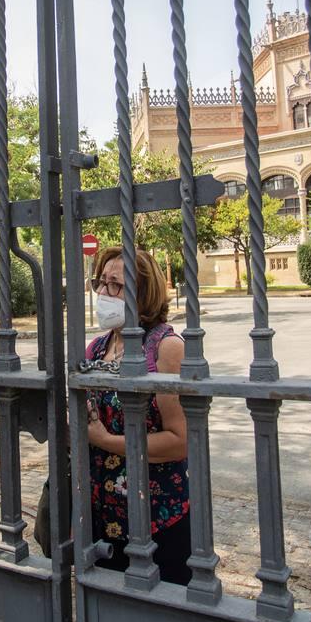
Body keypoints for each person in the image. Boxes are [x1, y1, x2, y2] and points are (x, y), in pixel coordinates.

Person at [83, 246, 191, 585]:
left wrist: (107, 441)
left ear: (142, 293)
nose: (103, 293)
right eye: (100, 283)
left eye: (115, 285)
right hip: (104, 517)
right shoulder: (97, 348)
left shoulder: (165, 347)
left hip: (157, 517)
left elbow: (179, 441)